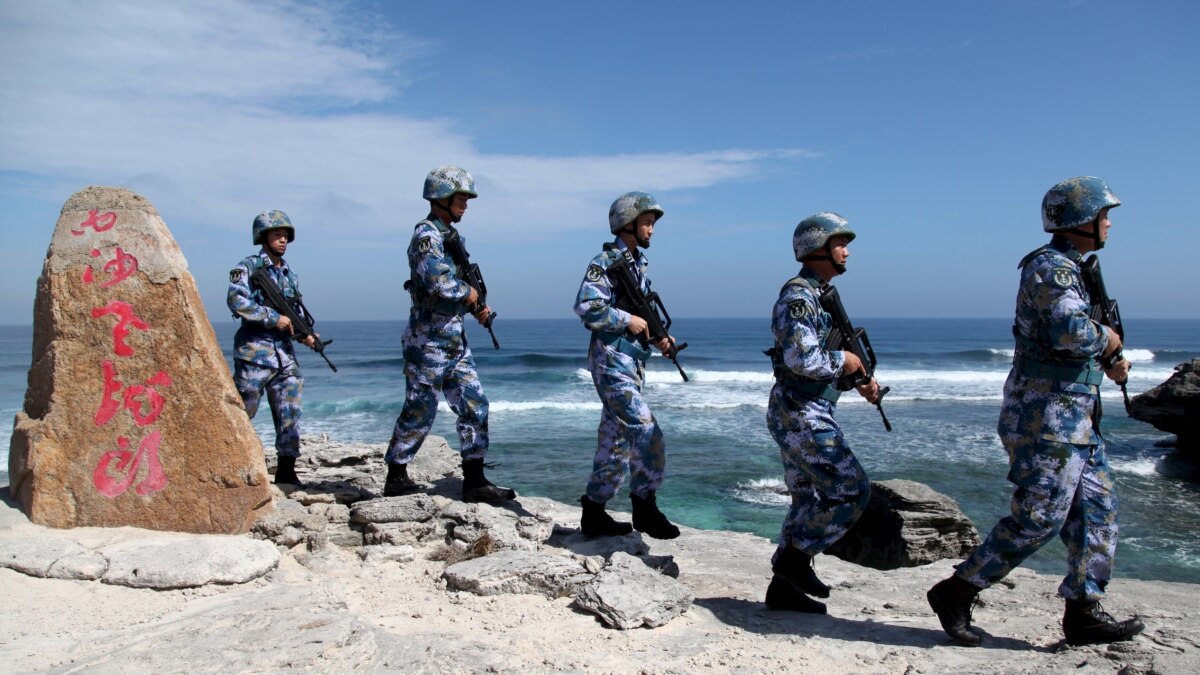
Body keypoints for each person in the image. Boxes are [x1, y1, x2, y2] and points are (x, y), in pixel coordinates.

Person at [927, 176, 1144, 647]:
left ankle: (1084, 611)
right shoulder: (1051, 268)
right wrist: (1106, 339)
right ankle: (957, 590)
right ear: (1080, 220)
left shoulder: (1074, 267)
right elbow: (1070, 331)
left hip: (1076, 415)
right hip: (1046, 414)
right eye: (1103, 214)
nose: (1109, 223)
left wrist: (1108, 358)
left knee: (1098, 512)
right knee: (1041, 516)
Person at [763, 212, 881, 614]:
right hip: (800, 410)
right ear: (817, 248)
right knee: (851, 489)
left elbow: (827, 356)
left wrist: (858, 376)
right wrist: (844, 361)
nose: (846, 251)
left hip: (805, 406)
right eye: (839, 243)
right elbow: (801, 357)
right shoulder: (799, 296)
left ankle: (782, 590)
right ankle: (794, 562)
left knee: (807, 498)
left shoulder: (821, 294)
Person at [382, 166, 515, 504]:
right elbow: (437, 282)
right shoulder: (427, 235)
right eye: (460, 198)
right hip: (427, 339)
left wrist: (476, 306)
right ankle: (396, 475)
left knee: (474, 404)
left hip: (453, 338)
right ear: (441, 198)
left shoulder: (451, 238)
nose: (465, 205)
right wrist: (468, 294)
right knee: (420, 406)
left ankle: (475, 481)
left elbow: (458, 286)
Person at [573, 192, 681, 540]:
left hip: (630, 362)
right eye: (647, 222)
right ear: (628, 223)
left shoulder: (638, 265)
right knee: (647, 432)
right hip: (611, 361)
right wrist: (626, 319)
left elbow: (644, 316)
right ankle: (645, 506)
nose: (652, 228)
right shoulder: (604, 261)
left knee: (615, 441)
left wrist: (659, 338)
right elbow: (586, 306)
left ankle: (594, 513)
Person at [228, 210, 318, 486]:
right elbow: (237, 301)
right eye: (276, 235)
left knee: (290, 412)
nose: (282, 240)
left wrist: (305, 334)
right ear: (263, 237)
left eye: (285, 235)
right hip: (255, 353)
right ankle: (231, 462)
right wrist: (272, 318)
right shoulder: (247, 268)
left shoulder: (289, 274)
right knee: (243, 411)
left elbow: (292, 311)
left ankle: (287, 470)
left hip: (284, 358)